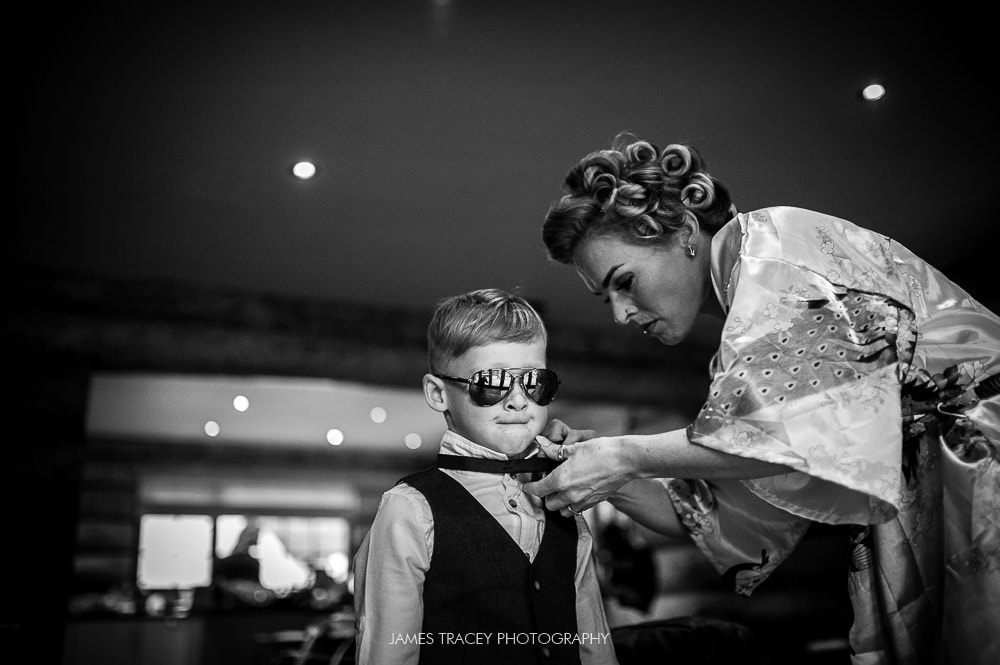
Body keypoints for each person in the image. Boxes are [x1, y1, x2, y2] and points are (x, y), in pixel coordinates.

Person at [523, 134, 1000, 665]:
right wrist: (605, 470)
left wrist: (623, 455)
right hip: (923, 495)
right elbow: (720, 516)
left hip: (981, 462)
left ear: (682, 230)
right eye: (607, 298)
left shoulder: (778, 247)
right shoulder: (745, 349)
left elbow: (778, 436)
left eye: (626, 282)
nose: (620, 314)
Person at [352, 288, 618, 665]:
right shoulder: (410, 509)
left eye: (534, 381)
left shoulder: (566, 506)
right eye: (492, 381)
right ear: (438, 393)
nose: (517, 400)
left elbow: (594, 643)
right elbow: (387, 653)